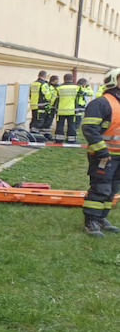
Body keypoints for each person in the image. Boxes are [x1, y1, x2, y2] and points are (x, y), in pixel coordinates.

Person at [80, 68, 120, 237]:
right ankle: (91, 222)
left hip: (118, 155)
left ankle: (102, 218)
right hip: (104, 155)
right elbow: (90, 128)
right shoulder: (101, 103)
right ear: (114, 81)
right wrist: (102, 151)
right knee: (100, 188)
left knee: (113, 188)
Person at [54, 74, 82, 143]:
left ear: (64, 79)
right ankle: (71, 140)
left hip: (60, 110)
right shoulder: (77, 87)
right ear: (72, 79)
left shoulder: (58, 88)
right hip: (72, 110)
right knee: (71, 125)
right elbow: (80, 97)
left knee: (60, 125)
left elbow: (53, 98)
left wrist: (53, 106)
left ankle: (58, 139)